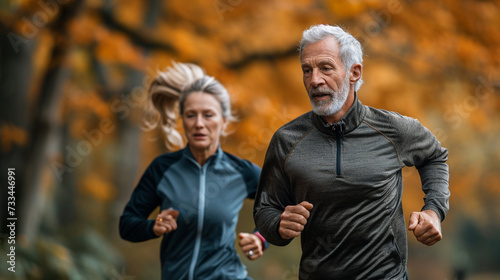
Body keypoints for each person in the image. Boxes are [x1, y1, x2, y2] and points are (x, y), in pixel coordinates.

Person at [253, 24, 450, 279]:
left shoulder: (394, 130)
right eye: (306, 70)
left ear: (354, 72)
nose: (314, 80)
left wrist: (434, 210)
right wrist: (279, 225)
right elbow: (265, 209)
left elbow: (435, 156)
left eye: (325, 68)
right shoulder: (287, 140)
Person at [119, 62, 268, 280]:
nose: (199, 123)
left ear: (224, 121)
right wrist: (154, 227)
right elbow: (127, 225)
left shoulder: (242, 172)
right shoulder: (162, 169)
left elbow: (280, 202)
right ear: (183, 120)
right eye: (191, 115)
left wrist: (261, 237)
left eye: (208, 115)